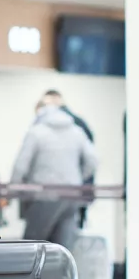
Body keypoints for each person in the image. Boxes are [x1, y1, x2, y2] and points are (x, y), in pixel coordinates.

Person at [11, 99, 98, 251]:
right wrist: (78, 179)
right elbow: (93, 160)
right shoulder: (77, 132)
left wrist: (12, 191)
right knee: (63, 250)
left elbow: (20, 166)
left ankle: (31, 276)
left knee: (32, 247)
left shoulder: (36, 132)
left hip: (44, 196)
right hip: (72, 195)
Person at [42, 89, 95, 227]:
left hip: (49, 193)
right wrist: (79, 179)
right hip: (75, 191)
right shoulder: (80, 125)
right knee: (68, 236)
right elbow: (91, 161)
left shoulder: (43, 126)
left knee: (42, 238)